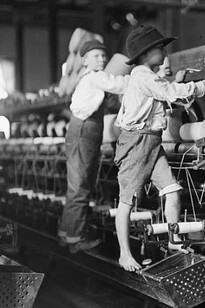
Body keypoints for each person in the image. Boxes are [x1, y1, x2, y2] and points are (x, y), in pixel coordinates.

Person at [114, 25, 205, 272]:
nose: (164, 53)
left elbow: (169, 93)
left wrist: (179, 84)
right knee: (127, 201)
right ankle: (124, 254)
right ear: (144, 54)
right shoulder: (143, 76)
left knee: (172, 190)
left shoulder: (146, 76)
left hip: (152, 141)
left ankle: (174, 241)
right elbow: (172, 92)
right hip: (137, 143)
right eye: (159, 49)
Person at [58, 40, 130, 254]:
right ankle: (76, 239)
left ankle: (67, 233)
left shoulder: (89, 79)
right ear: (84, 60)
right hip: (85, 131)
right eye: (96, 56)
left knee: (77, 185)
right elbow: (120, 84)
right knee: (81, 185)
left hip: (81, 130)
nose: (102, 59)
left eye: (103, 56)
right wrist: (143, 76)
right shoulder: (95, 77)